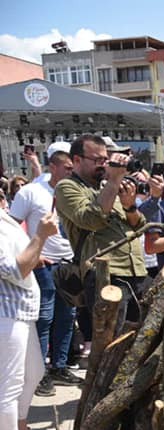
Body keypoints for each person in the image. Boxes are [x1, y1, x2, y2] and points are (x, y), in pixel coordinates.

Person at [9, 149, 83, 396]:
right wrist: (33, 251)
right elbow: (13, 225)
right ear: (53, 166)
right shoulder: (31, 192)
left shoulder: (74, 192)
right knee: (45, 318)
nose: (70, 172)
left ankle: (59, 366)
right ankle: (39, 373)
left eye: (73, 168)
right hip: (44, 264)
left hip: (69, 261)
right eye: (67, 168)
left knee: (67, 316)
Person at [56, 134, 148, 324]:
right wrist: (114, 182)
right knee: (112, 341)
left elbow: (138, 226)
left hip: (136, 271)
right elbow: (91, 220)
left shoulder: (107, 187)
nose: (103, 164)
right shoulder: (67, 187)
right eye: (97, 160)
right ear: (77, 160)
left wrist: (130, 206)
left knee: (147, 335)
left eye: (105, 159)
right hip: (105, 277)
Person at [0, 202, 59, 430]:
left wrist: (37, 251)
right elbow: (13, 270)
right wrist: (41, 235)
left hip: (21, 310)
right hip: (6, 312)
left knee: (33, 372)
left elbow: (19, 259)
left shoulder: (4, 217)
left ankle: (21, 429)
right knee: (9, 383)